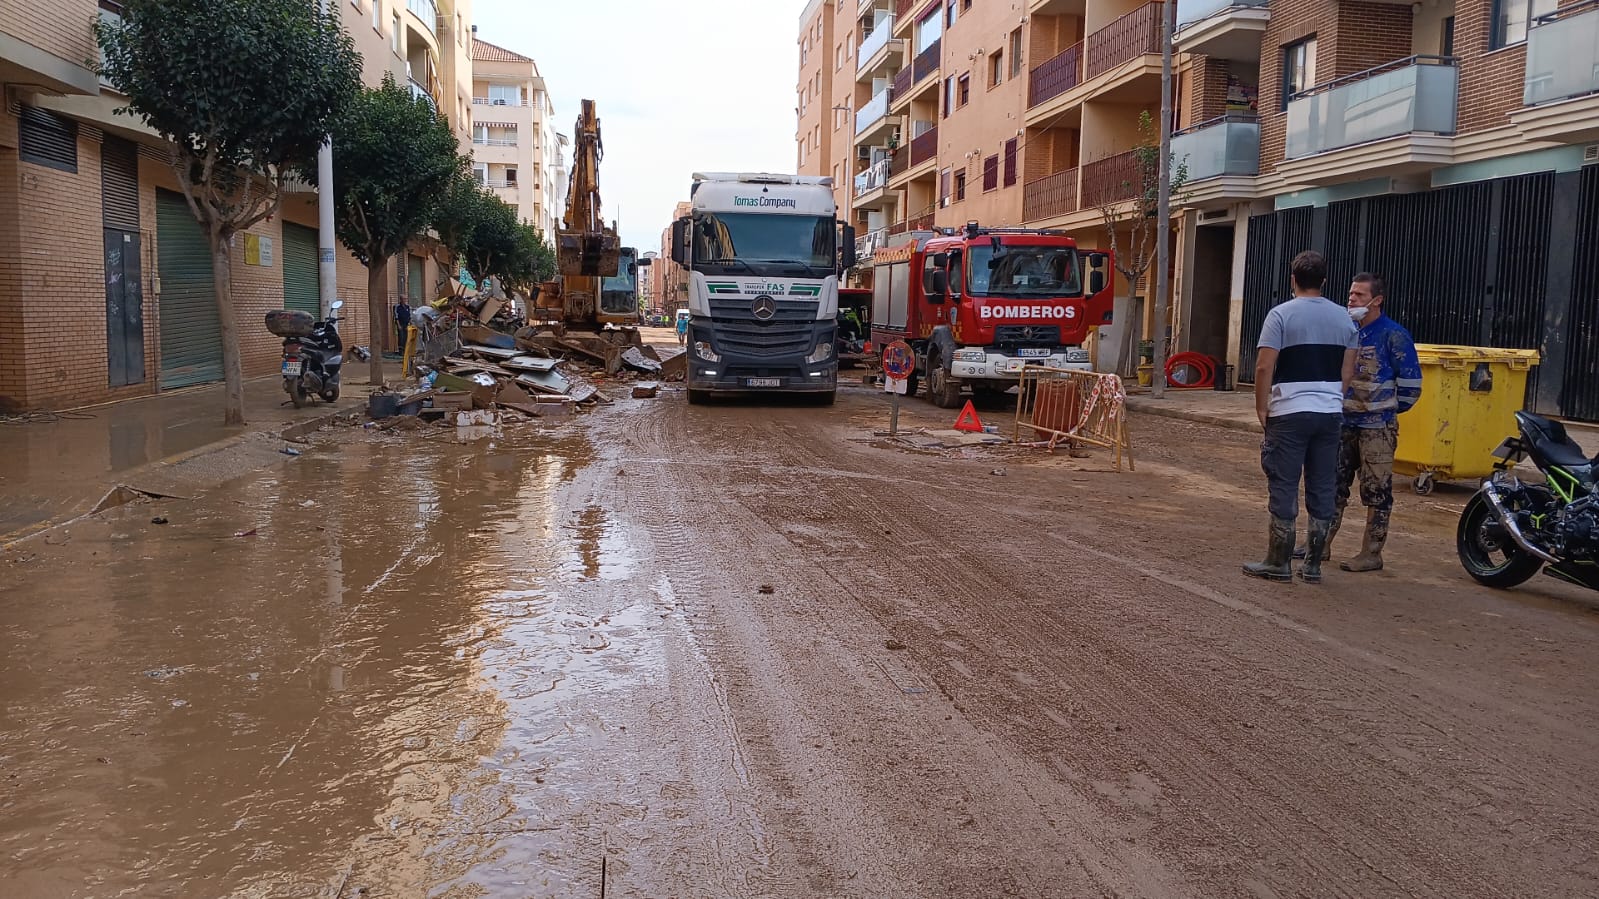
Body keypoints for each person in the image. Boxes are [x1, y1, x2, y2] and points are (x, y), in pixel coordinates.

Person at [1245, 250, 1359, 584]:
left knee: (1284, 482)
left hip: (1290, 412)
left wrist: (1262, 406)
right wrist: (1332, 399)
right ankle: (1312, 564)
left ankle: (1278, 561)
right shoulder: (1345, 319)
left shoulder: (1280, 315)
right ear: (1324, 281)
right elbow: (1348, 371)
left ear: (1293, 279)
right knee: (1323, 483)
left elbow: (1265, 365)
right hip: (1329, 413)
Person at [1295, 273, 1422, 572]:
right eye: (1351, 294)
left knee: (1377, 489)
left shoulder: (1394, 335)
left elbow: (1411, 387)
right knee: (1331, 485)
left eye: (1360, 295)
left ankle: (1371, 553)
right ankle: (1320, 544)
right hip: (1341, 422)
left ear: (1377, 301)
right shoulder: (1344, 329)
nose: (1351, 299)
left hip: (1377, 427)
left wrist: (1385, 411)